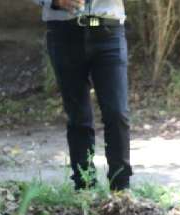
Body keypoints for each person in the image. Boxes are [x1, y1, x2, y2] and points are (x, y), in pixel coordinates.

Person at [32, 0, 132, 191]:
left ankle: (121, 188)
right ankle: (84, 186)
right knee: (78, 116)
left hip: (108, 32)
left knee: (117, 112)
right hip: (63, 33)